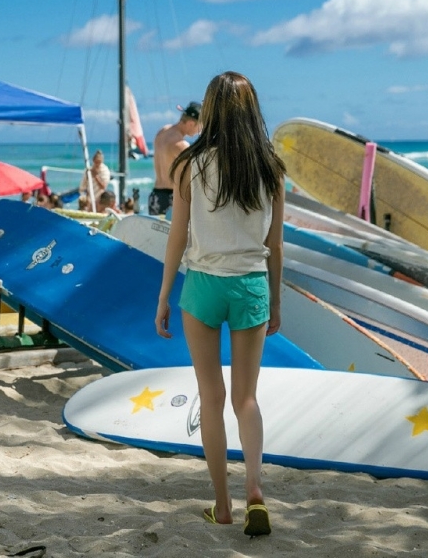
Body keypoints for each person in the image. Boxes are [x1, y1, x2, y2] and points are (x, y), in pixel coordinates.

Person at [154, 72, 285, 537]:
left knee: (211, 398)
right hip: (251, 286)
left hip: (204, 287)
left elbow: (177, 234)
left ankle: (223, 505)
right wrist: (277, 299)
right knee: (246, 398)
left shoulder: (190, 164)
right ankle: (255, 490)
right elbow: (277, 243)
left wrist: (165, 293)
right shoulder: (270, 166)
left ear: (208, 110)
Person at [149, 101, 201, 216]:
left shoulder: (162, 131)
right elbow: (196, 174)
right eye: (199, 126)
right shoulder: (181, 145)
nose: (199, 132)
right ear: (191, 123)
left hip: (155, 195)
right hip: (171, 198)